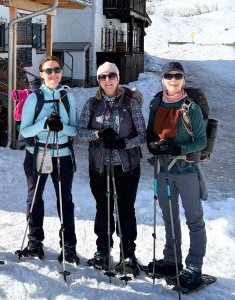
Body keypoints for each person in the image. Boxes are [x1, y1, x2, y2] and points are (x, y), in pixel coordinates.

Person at [78, 62, 146, 275]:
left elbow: (142, 135)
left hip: (126, 167)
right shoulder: (92, 104)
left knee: (125, 210)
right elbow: (81, 132)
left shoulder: (130, 104)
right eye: (102, 76)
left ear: (118, 77)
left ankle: (128, 254)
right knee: (103, 209)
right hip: (99, 166)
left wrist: (123, 144)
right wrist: (98, 135)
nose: (107, 80)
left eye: (112, 75)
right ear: (98, 80)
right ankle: (103, 250)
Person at [146, 62, 207, 289]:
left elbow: (200, 141)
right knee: (169, 218)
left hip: (186, 171)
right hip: (162, 171)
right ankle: (172, 260)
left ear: (183, 79)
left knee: (194, 220)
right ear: (163, 79)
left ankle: (194, 267)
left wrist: (176, 149)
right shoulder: (156, 102)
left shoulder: (191, 108)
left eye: (177, 76)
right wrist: (152, 144)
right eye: (169, 76)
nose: (173, 80)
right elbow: (150, 132)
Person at [18, 56, 79, 264]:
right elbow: (24, 130)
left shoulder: (68, 97)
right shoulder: (34, 98)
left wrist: (62, 127)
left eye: (57, 70)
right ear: (42, 74)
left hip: (62, 154)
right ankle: (35, 241)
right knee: (35, 197)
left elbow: (75, 130)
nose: (53, 74)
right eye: (48, 71)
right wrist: (45, 123)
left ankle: (69, 245)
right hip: (39, 152)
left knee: (65, 200)